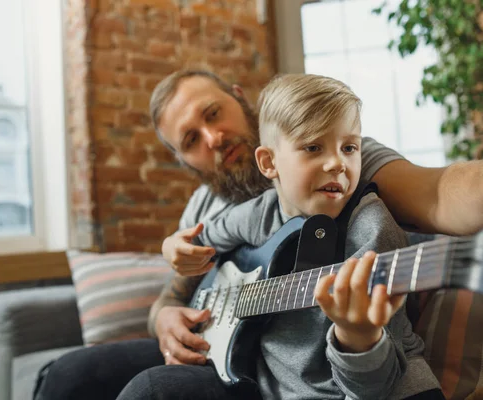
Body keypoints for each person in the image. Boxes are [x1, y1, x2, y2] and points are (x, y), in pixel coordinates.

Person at [36, 69, 483, 400]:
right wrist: (165, 317)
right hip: (216, 344)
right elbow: (172, 297)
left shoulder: (339, 161)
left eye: (214, 114)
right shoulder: (207, 204)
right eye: (191, 139)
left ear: (238, 97)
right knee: (66, 376)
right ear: (182, 158)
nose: (212, 137)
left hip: (286, 367)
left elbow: (441, 192)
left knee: (150, 390)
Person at [161, 73, 442, 399]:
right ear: (269, 162)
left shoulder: (373, 231)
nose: (338, 163)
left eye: (349, 147)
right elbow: (208, 235)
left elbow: (376, 386)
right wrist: (175, 244)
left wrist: (358, 335)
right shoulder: (258, 213)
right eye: (313, 147)